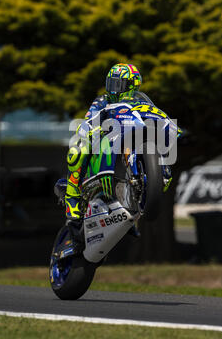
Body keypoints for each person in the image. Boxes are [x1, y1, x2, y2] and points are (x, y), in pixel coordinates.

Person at [65, 63, 159, 235]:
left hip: (129, 134)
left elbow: (153, 113)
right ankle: (72, 194)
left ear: (132, 85)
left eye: (118, 84)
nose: (113, 89)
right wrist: (94, 129)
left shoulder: (141, 100)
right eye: (111, 84)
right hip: (104, 143)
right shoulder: (102, 101)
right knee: (78, 147)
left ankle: (132, 202)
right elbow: (87, 122)